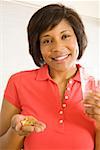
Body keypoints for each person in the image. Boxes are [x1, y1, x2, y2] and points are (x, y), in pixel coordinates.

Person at [0, 3, 100, 150]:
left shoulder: (96, 89)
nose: (57, 48)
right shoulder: (18, 82)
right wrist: (16, 132)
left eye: (65, 36)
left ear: (78, 38)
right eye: (47, 40)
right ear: (38, 47)